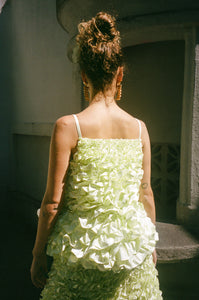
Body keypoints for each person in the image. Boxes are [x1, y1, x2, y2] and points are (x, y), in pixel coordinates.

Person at [31, 12, 162, 299]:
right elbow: (146, 193)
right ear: (120, 74)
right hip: (132, 259)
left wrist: (38, 254)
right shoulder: (140, 128)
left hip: (81, 262)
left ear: (83, 75)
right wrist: (150, 245)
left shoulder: (68, 127)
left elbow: (53, 203)